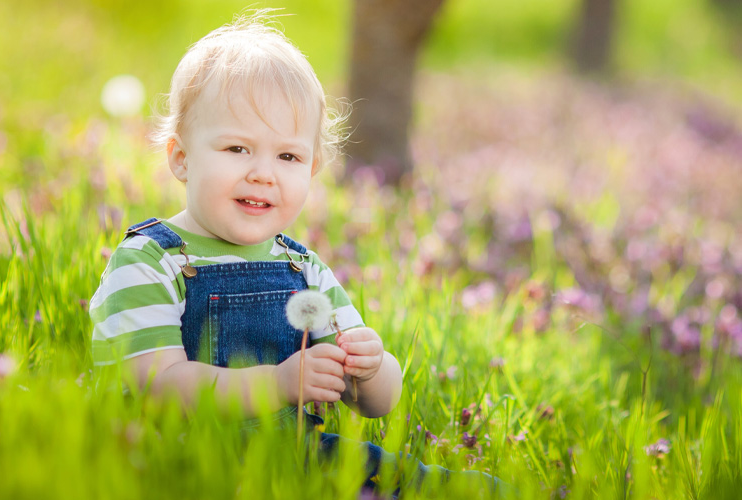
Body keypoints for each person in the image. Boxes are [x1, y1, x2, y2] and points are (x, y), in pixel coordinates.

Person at [89, 13, 502, 497]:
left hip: (296, 455)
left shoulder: (303, 269)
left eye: (287, 157)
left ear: (313, 168)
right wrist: (276, 385)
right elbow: (157, 386)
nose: (263, 173)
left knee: (415, 478)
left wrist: (370, 368)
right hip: (178, 462)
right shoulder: (150, 260)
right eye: (238, 148)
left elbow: (376, 404)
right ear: (181, 157)